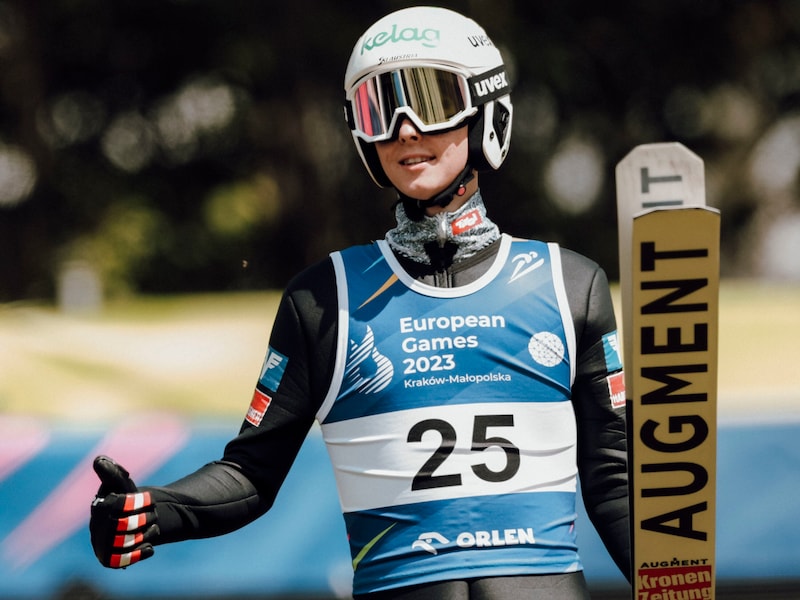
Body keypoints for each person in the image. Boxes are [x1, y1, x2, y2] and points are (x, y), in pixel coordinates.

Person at [90, 6, 630, 599]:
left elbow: (615, 481)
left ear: (485, 110)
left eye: (428, 98)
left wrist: (678, 582)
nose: (403, 128)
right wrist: (154, 512)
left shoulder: (568, 283)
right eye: (380, 106)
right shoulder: (324, 299)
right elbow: (249, 475)